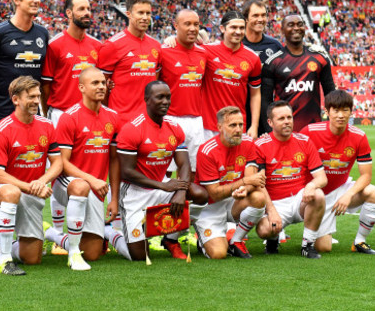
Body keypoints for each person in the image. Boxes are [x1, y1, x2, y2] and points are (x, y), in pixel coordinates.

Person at [109, 81, 208, 261]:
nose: (165, 102)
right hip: (134, 193)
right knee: (139, 256)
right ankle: (111, 234)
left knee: (199, 194)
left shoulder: (174, 127)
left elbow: (184, 164)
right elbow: (126, 172)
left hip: (161, 188)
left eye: (168, 97)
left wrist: (180, 190)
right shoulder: (132, 129)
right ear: (146, 99)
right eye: (160, 97)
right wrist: (163, 185)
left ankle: (170, 239)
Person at [0, 0, 49, 235]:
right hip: (2, 114)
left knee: (28, 166)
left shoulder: (42, 34)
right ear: (16, 0)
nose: (36, 0)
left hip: (31, 116)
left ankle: (24, 228)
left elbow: (43, 80)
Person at [41, 0, 102, 251]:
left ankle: (88, 230)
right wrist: (51, 113)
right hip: (61, 113)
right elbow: (46, 85)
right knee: (60, 172)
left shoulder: (97, 46)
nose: (87, 12)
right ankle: (56, 233)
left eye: (89, 8)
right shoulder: (55, 45)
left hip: (88, 118)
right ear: (68, 13)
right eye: (81, 9)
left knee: (85, 167)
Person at [0, 76, 62, 275]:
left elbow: (58, 162)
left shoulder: (46, 125)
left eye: (38, 96)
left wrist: (41, 181)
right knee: (11, 192)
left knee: (32, 259)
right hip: (3, 189)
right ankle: (5, 259)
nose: (36, 100)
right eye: (31, 96)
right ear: (16, 99)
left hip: (32, 190)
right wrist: (30, 187)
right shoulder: (3, 129)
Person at [43, 67, 120, 270]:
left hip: (96, 188)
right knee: (80, 187)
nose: (101, 86)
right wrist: (91, 180)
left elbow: (114, 160)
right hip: (67, 184)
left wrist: (113, 199)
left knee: (93, 253)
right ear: (81, 87)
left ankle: (52, 234)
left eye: (103, 83)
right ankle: (74, 253)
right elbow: (63, 163)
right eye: (95, 83)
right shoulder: (70, 117)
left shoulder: (113, 117)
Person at [300, 90, 375, 254]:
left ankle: (359, 242)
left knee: (373, 192)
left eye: (345, 110)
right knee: (324, 247)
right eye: (336, 110)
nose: (341, 115)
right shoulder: (310, 132)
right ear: (327, 112)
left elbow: (366, 175)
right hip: (313, 194)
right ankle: (281, 234)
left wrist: (348, 195)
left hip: (339, 191)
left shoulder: (359, 137)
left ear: (351, 112)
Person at [255, 101, 327, 258]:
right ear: (270, 122)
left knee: (318, 194)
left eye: (289, 117)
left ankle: (307, 245)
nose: (287, 121)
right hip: (274, 203)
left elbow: (322, 178)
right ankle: (273, 239)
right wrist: (271, 211)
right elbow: (258, 184)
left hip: (299, 199)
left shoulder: (305, 141)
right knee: (264, 230)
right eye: (281, 118)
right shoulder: (261, 145)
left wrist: (311, 185)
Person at [194, 106, 267, 259]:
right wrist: (245, 181)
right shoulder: (207, 151)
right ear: (219, 127)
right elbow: (214, 193)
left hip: (233, 200)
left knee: (259, 197)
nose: (238, 129)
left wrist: (246, 189)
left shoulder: (247, 143)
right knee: (219, 254)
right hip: (210, 206)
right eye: (233, 125)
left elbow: (252, 180)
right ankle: (203, 240)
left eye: (241, 125)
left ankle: (236, 240)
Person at [261, 14, 336, 133]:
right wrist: (268, 130)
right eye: (290, 25)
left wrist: (334, 123)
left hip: (313, 130)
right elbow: (265, 101)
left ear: (304, 28)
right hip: (283, 131)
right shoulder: (273, 62)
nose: (296, 28)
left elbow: (331, 94)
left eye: (299, 24)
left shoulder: (320, 58)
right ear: (282, 30)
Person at [97, 0, 161, 126]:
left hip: (148, 121)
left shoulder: (156, 46)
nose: (145, 17)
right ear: (128, 14)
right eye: (140, 13)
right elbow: (99, 86)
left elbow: (156, 79)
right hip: (121, 122)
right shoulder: (112, 45)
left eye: (148, 13)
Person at [159, 9, 206, 178]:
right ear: (176, 26)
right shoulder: (164, 51)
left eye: (196, 24)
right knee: (164, 171)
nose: (193, 28)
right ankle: (160, 204)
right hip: (169, 118)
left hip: (195, 120)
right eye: (187, 24)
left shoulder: (204, 53)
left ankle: (185, 203)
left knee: (191, 170)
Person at [200, 11, 262, 140]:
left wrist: (254, 126)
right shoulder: (206, 51)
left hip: (237, 125)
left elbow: (255, 94)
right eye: (233, 27)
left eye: (241, 28)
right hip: (207, 126)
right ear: (222, 29)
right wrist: (171, 39)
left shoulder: (253, 58)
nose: (238, 32)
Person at [240, 0, 283, 136]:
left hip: (267, 113)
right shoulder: (236, 43)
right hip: (239, 112)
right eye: (255, 15)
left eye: (263, 15)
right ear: (245, 19)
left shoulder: (275, 46)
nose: (260, 19)